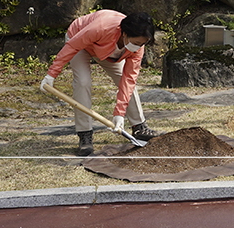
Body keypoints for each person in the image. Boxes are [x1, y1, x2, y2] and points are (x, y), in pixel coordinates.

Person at [40, 9, 157, 155]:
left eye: (143, 43)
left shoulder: (137, 47)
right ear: (125, 34)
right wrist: (51, 74)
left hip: (109, 53)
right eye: (137, 42)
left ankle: (139, 127)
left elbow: (129, 79)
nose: (139, 46)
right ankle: (85, 135)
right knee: (83, 82)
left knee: (125, 82)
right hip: (80, 42)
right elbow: (72, 46)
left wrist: (119, 113)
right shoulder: (101, 27)